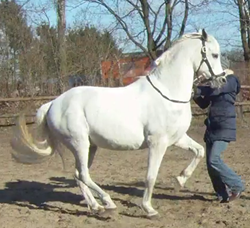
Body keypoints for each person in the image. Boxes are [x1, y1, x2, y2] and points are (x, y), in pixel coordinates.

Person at [193, 69, 245, 203]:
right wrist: (194, 93)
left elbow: (214, 90)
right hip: (212, 127)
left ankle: (237, 184)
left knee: (213, 159)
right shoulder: (215, 84)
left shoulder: (231, 80)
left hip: (224, 126)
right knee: (210, 165)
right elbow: (204, 104)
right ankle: (222, 193)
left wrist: (196, 88)